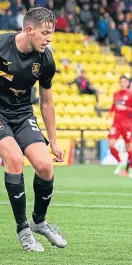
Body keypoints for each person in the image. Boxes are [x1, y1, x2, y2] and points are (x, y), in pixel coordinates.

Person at [0, 7, 67, 251]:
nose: (48, 38)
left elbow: (47, 102)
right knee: (15, 161)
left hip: (22, 114)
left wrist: (55, 141)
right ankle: (23, 231)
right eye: (45, 33)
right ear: (29, 30)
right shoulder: (1, 45)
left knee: (45, 166)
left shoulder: (46, 59)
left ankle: (39, 221)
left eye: (51, 33)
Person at [108, 76, 132, 178]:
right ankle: (120, 161)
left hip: (127, 124)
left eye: (124, 82)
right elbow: (114, 106)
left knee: (129, 147)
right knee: (111, 144)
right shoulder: (116, 94)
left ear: (128, 83)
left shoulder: (131, 95)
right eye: (121, 82)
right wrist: (110, 112)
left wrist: (125, 108)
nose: (122, 84)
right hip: (116, 124)